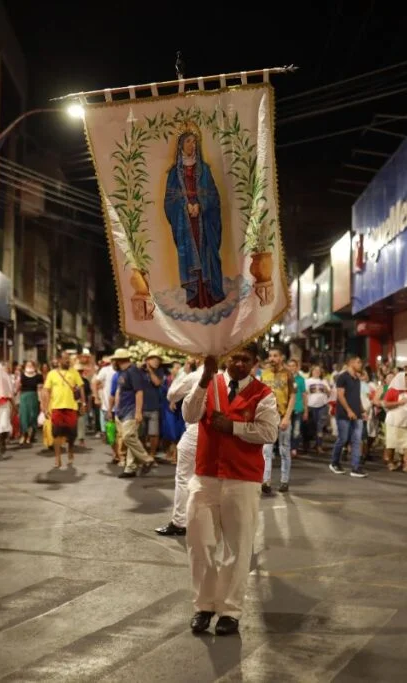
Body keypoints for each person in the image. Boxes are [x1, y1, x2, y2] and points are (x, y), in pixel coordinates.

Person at [182, 344, 278, 636]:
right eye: (234, 357)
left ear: (255, 363)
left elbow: (269, 432)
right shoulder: (208, 383)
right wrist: (202, 379)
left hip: (243, 479)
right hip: (206, 475)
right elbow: (189, 414)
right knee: (200, 544)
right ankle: (203, 607)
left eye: (245, 359)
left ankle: (229, 611)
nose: (238, 363)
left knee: (238, 547)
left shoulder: (264, 394)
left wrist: (234, 427)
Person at [164, 123, 225, 309]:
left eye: (194, 142)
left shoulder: (204, 170)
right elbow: (169, 200)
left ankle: (208, 294)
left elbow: (213, 195)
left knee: (206, 253)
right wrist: (184, 207)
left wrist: (201, 205)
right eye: (188, 142)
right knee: (191, 255)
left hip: (204, 221)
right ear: (181, 144)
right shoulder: (174, 173)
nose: (192, 145)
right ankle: (194, 296)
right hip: (185, 222)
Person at [156, 361, 203, 537]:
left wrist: (185, 371)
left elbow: (172, 394)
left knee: (184, 477)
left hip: (196, 431)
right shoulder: (225, 376)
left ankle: (180, 521)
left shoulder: (195, 375)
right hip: (221, 433)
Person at [113, 348, 154, 477]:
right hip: (122, 409)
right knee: (131, 438)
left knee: (128, 436)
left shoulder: (132, 371)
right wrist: (116, 409)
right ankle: (130, 468)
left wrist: (138, 412)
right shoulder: (122, 372)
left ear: (119, 360)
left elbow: (139, 392)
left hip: (131, 409)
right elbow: (120, 391)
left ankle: (147, 459)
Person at [260, 345, 295, 494]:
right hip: (268, 417)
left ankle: (284, 481)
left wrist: (287, 417)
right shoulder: (265, 374)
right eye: (270, 356)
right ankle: (265, 481)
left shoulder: (288, 374)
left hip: (282, 417)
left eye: (275, 356)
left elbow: (293, 395)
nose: (272, 359)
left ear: (281, 358)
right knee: (266, 450)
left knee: (284, 450)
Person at [42, 352, 86, 469]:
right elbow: (46, 391)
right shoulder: (52, 374)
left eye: (69, 359)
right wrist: (45, 407)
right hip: (56, 407)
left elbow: (81, 387)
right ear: (59, 360)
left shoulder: (74, 372)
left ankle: (70, 450)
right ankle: (57, 458)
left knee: (71, 434)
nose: (67, 361)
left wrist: (83, 403)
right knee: (56, 433)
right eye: (65, 359)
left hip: (71, 407)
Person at [331, 355, 367, 477]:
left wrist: (362, 410)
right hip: (343, 414)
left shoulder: (357, 379)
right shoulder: (342, 377)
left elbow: (356, 397)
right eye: (358, 362)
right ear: (351, 363)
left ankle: (355, 468)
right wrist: (349, 410)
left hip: (357, 414)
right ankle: (334, 462)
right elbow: (340, 395)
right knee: (343, 439)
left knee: (357, 440)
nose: (360, 364)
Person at [381, 371, 407, 473]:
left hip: (406, 421)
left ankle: (406, 464)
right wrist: (399, 403)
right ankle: (390, 462)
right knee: (392, 442)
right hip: (394, 421)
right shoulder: (393, 390)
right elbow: (385, 404)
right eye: (406, 379)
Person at [305, 365, 331, 453]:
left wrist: (326, 388)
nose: (317, 372)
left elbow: (329, 392)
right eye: (315, 370)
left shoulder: (324, 381)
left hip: (322, 406)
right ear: (312, 371)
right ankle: (308, 444)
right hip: (311, 406)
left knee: (320, 427)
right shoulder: (307, 381)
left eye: (318, 371)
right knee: (311, 427)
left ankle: (319, 445)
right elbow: (304, 393)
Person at [18, 361, 42, 446]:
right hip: (24, 397)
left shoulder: (38, 376)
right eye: (28, 365)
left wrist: (41, 401)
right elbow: (19, 387)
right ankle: (24, 435)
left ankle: (29, 436)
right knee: (24, 417)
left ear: (34, 366)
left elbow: (40, 389)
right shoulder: (22, 375)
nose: (29, 366)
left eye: (31, 365)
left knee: (32, 417)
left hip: (33, 397)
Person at [288, 358, 307, 456]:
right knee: (286, 429)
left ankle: (293, 448)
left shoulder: (301, 379)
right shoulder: (285, 378)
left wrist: (306, 410)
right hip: (286, 409)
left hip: (298, 408)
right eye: (290, 366)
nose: (292, 368)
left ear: (297, 367)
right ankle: (285, 447)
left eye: (293, 366)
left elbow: (304, 394)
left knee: (296, 429)